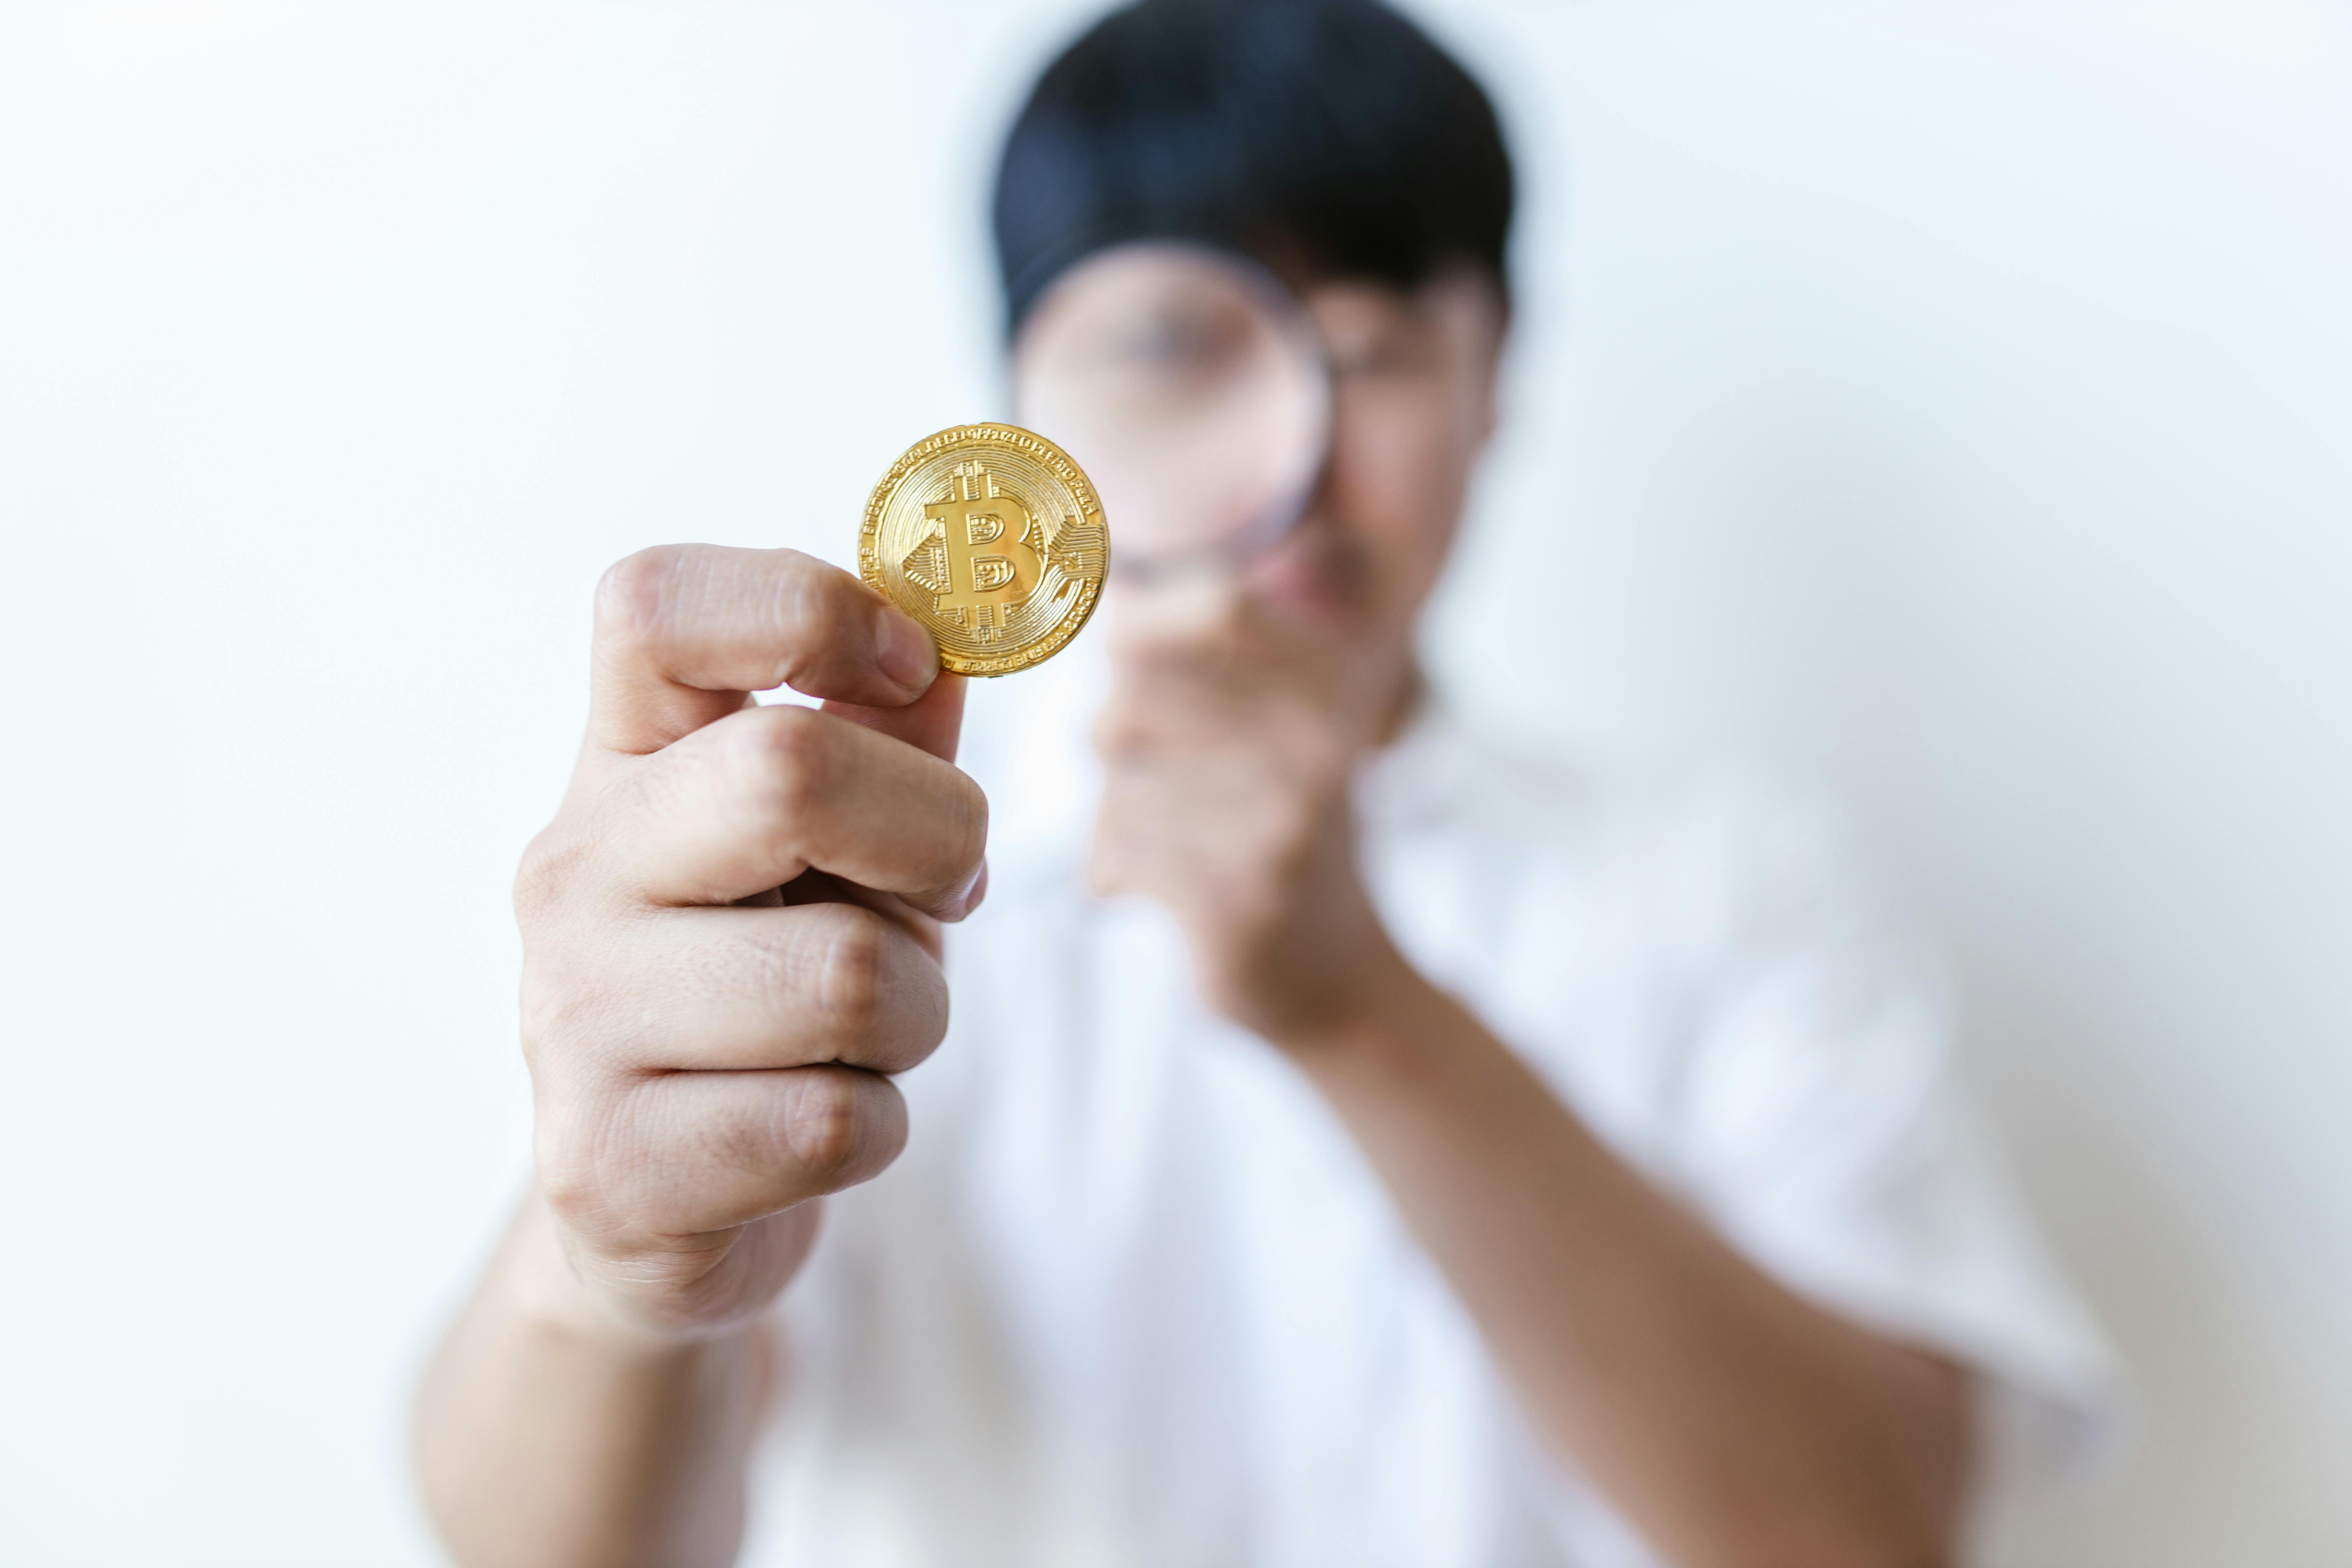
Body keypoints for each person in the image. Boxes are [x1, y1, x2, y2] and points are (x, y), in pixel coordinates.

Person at [415, 2, 2120, 1564]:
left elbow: (1884, 1530)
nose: (1282, 478)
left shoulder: (1731, 885)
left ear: (1498, 376)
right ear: (1024, 403)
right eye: (1170, 349)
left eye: (1367, 355)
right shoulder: (812, 891)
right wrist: (611, 1279)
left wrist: (1361, 1003)